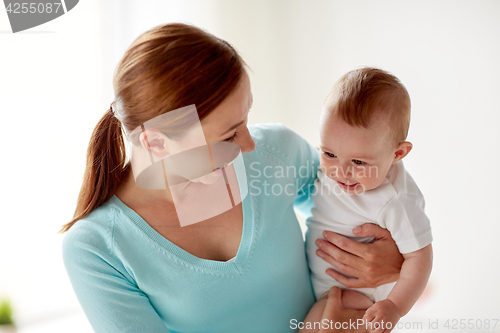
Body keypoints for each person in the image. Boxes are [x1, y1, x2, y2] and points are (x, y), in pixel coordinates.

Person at [59, 23, 404, 333]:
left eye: (245, 118)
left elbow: (374, 204)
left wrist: (396, 259)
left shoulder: (276, 154)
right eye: (229, 136)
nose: (249, 143)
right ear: (156, 142)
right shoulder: (98, 249)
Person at [302, 68, 433, 332]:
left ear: (397, 153)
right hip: (323, 287)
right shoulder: (331, 165)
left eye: (358, 162)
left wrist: (395, 307)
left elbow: (420, 258)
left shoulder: (395, 200)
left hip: (359, 300)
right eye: (328, 153)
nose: (341, 171)